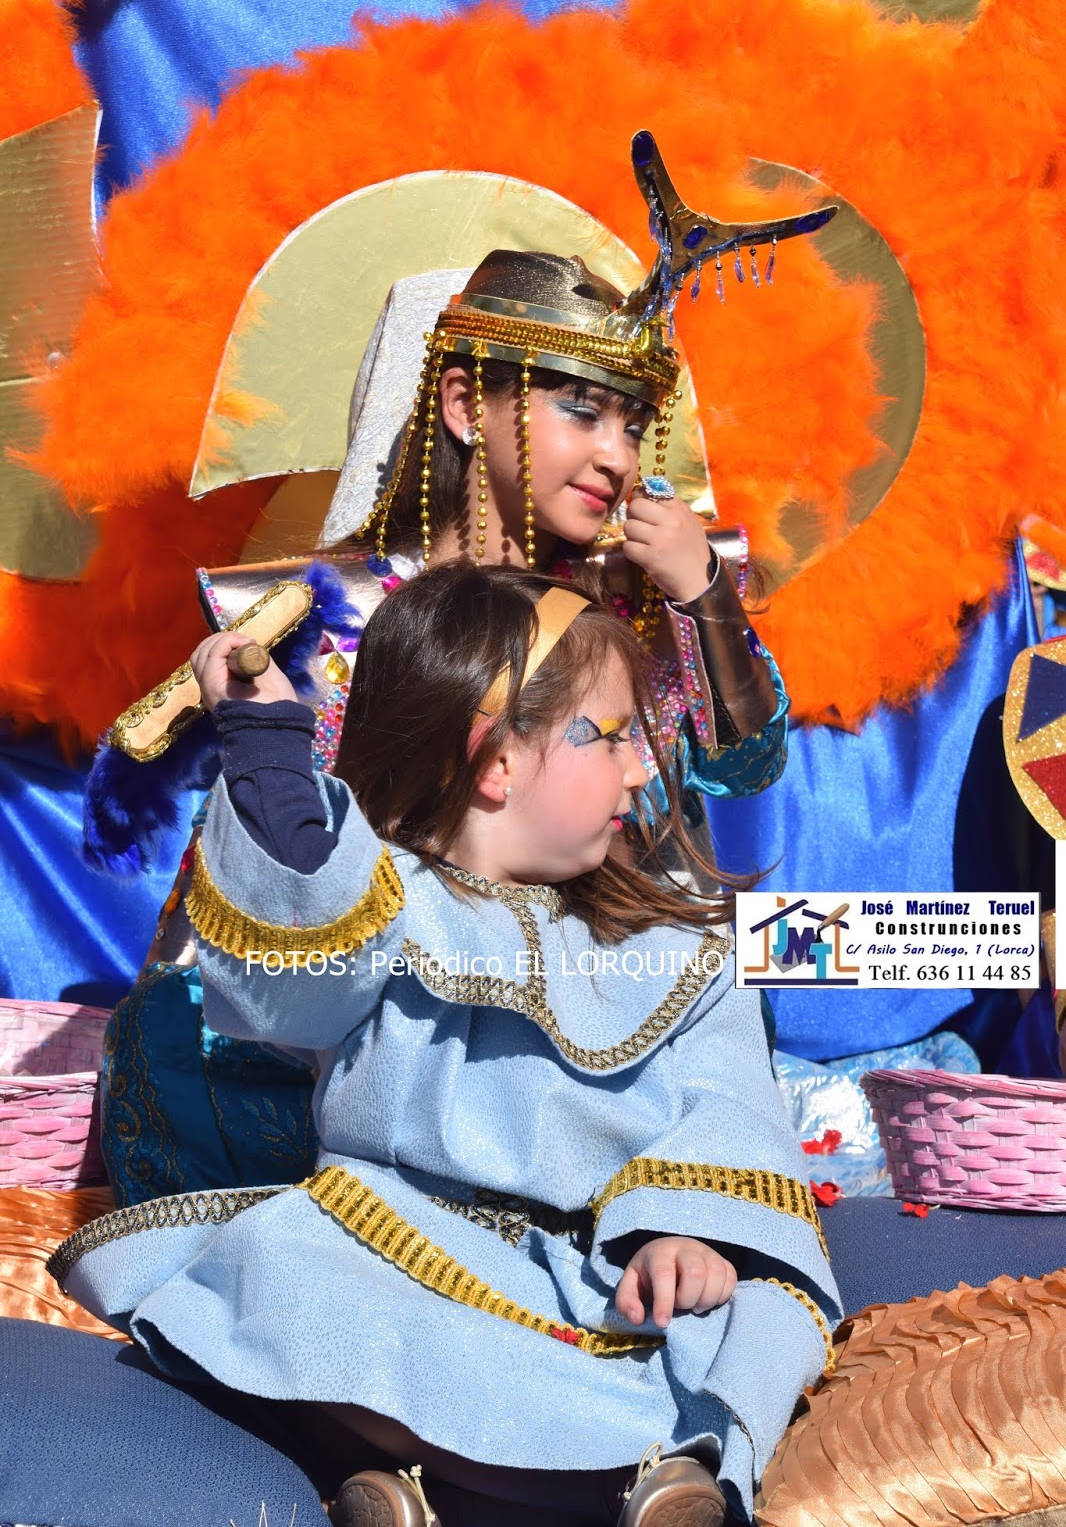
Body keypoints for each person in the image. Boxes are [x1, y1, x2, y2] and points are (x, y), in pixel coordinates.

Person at [97, 137, 818, 1207]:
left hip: (576, 1013)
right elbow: (280, 876)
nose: (618, 455)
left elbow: (745, 770)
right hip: (369, 1018)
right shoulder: (331, 613)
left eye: (633, 423)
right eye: (582, 410)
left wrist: (702, 595)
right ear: (463, 406)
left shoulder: (628, 607)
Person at [59, 565, 840, 1527]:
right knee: (288, 1279)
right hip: (389, 1248)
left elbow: (726, 1104)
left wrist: (687, 1238)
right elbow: (292, 953)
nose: (640, 769)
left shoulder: (677, 949)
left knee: (748, 1326)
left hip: (603, 1278)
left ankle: (453, 1486)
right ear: (497, 764)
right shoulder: (378, 908)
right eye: (608, 736)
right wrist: (265, 741)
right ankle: (571, 1494)